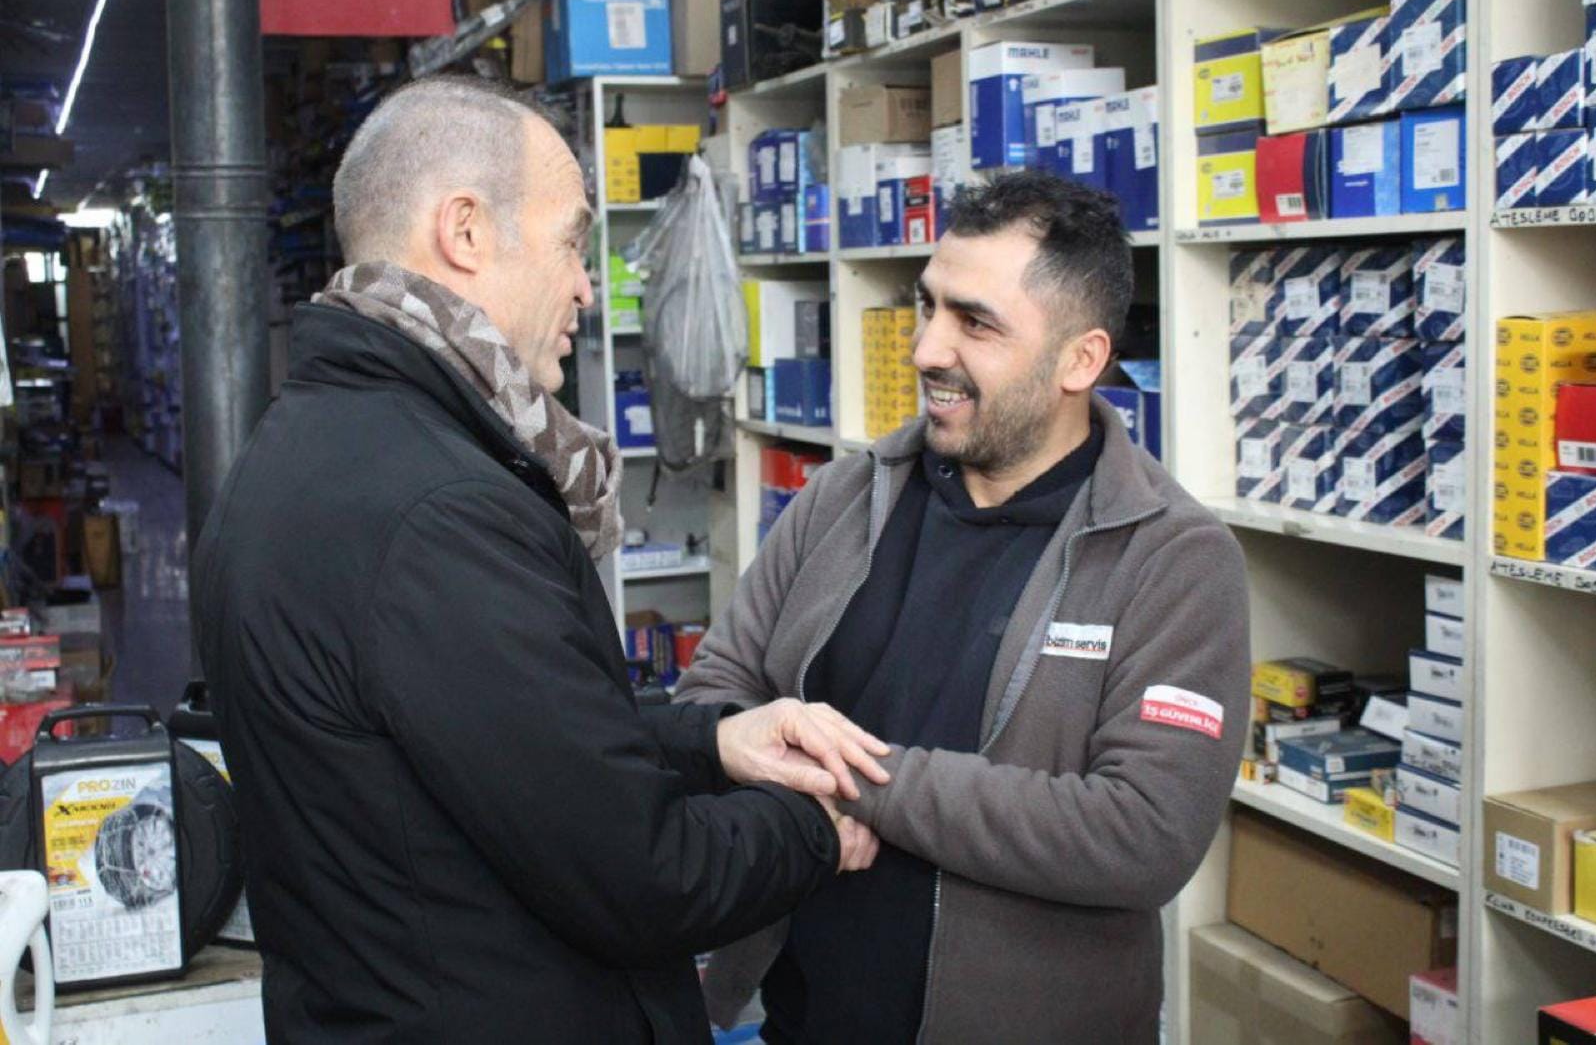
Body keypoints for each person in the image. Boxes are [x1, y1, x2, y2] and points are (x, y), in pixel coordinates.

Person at [192, 76, 889, 1044]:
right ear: (465, 232)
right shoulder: (439, 512)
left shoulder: (306, 447)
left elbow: (500, 744)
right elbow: (640, 874)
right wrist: (815, 828)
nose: (586, 286)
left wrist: (711, 744)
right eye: (570, 242)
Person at [676, 172, 1252, 1044]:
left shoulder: (1172, 558)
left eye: (975, 323)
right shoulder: (844, 497)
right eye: (929, 306)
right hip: (802, 1021)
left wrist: (859, 781)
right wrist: (775, 781)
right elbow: (715, 696)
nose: (926, 349)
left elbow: (1142, 835)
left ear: (1081, 361)